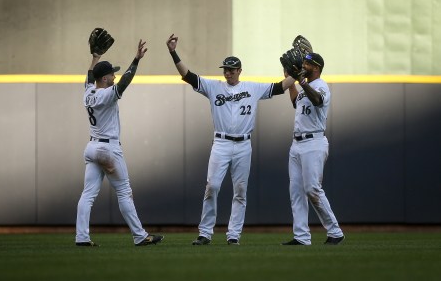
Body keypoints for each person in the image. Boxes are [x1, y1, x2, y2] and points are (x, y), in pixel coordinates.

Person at [166, 33, 297, 245]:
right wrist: (173, 52)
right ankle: (205, 233)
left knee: (240, 192)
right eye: (225, 69)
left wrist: (298, 74)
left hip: (244, 145)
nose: (227, 72)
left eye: (231, 69)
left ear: (239, 71)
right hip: (221, 143)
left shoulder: (252, 88)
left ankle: (233, 235)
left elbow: (279, 87)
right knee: (212, 187)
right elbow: (188, 76)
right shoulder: (214, 86)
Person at [75, 38, 164, 247]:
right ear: (105, 78)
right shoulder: (107, 94)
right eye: (112, 73)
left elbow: (89, 77)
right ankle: (140, 236)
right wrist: (136, 60)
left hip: (92, 147)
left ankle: (81, 237)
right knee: (124, 191)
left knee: (87, 195)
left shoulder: (88, 93)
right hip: (108, 148)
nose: (114, 76)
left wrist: (95, 57)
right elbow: (124, 82)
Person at [281, 52, 344, 245]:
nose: (303, 65)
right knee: (296, 191)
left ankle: (335, 232)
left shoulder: (320, 85)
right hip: (297, 144)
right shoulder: (304, 87)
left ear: (316, 68)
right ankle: (301, 236)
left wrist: (302, 82)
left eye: (307, 63)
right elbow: (295, 102)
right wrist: (290, 82)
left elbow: (317, 100)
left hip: (314, 142)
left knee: (312, 189)